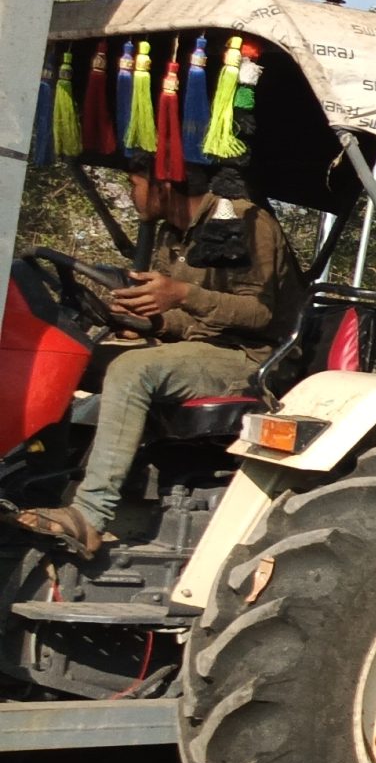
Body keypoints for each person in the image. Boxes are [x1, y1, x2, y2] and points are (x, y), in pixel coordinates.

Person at [15, 168, 287, 555]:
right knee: (62, 356)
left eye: (135, 184)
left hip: (246, 357)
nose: (132, 193)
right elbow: (183, 319)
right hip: (192, 346)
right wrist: (147, 319)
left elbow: (259, 314)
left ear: (163, 185)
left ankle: (90, 516)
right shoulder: (171, 232)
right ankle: (38, 488)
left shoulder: (243, 220)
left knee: (131, 370)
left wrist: (182, 294)